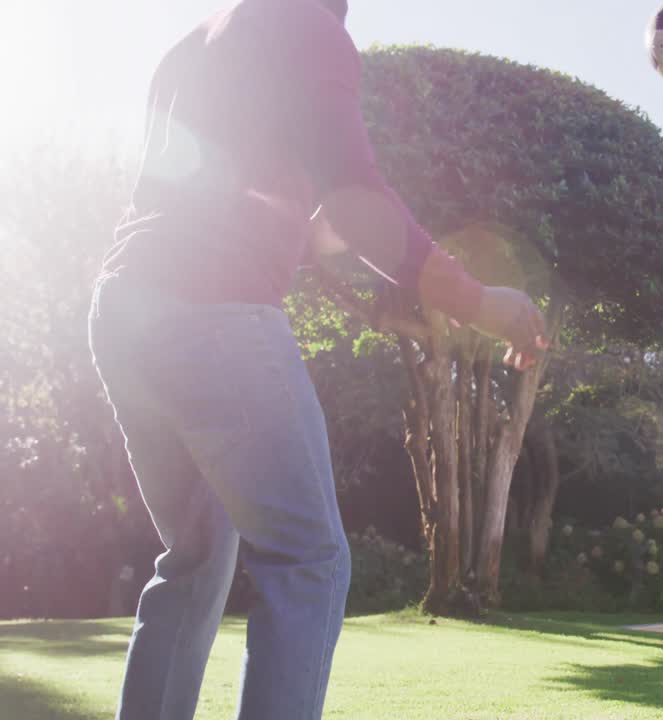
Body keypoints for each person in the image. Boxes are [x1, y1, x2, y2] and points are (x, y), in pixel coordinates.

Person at [88, 1, 546, 717]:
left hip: (126, 311)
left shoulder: (193, 45)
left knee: (194, 562)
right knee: (309, 562)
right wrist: (478, 300)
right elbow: (358, 206)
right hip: (218, 316)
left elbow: (226, 211)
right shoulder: (308, 26)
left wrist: (324, 234)